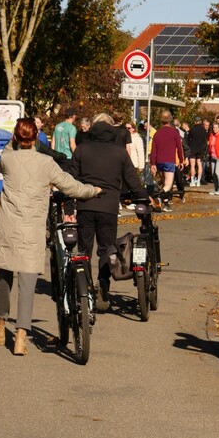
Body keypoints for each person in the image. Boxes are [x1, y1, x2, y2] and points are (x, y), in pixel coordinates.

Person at [0, 118, 99, 355]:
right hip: (31, 228)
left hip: (7, 226)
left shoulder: (7, 160)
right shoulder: (46, 163)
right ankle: (20, 336)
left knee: (3, 277)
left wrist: (14, 140)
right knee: (27, 283)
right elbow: (70, 186)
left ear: (15, 137)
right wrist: (93, 190)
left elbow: (4, 156)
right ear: (37, 137)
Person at [69, 113, 147, 311]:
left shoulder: (82, 150)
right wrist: (144, 196)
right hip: (109, 207)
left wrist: (68, 203)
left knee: (84, 249)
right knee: (106, 248)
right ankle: (103, 284)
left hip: (85, 205)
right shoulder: (119, 152)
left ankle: (84, 287)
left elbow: (71, 178)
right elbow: (132, 179)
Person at [150, 109, 184, 212]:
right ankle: (158, 197)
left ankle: (165, 203)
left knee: (164, 182)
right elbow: (179, 148)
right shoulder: (174, 132)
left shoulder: (157, 133)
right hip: (169, 160)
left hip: (159, 161)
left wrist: (153, 163)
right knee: (168, 184)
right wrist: (181, 161)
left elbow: (153, 150)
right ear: (171, 119)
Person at [187, 117, 208, 186]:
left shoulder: (192, 129)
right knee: (200, 165)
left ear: (195, 122)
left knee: (192, 166)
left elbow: (188, 139)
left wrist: (190, 145)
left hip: (193, 149)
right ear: (201, 121)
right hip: (201, 149)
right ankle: (198, 181)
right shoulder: (204, 130)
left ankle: (192, 181)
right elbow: (205, 141)